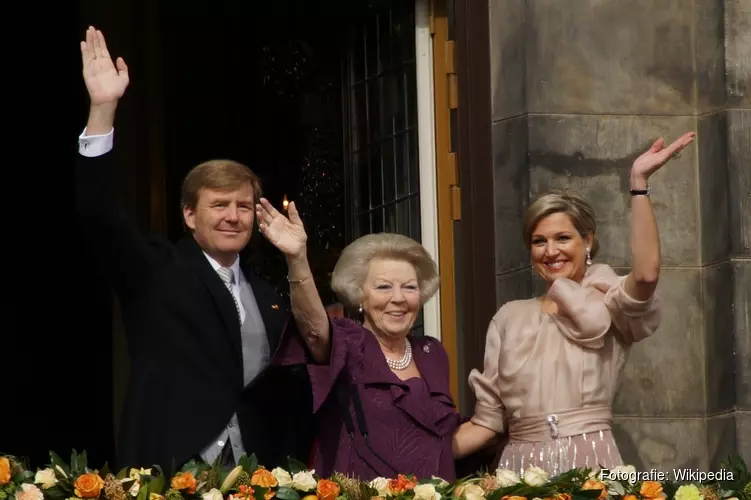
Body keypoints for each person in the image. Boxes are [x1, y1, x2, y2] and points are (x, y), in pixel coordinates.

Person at [75, 27, 313, 472]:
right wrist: (103, 108)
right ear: (189, 216)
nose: (233, 216)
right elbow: (96, 211)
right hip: (169, 462)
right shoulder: (155, 269)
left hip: (257, 469)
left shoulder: (267, 293)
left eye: (243, 206)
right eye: (218, 205)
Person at [452, 132, 696, 475]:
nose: (550, 251)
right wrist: (411, 454)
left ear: (588, 241)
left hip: (590, 464)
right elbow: (488, 422)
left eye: (562, 238)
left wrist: (638, 184)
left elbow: (645, 276)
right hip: (518, 473)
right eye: (539, 241)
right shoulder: (509, 318)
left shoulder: (608, 298)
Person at [255, 198, 464, 481]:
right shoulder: (349, 342)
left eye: (409, 287)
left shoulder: (431, 353)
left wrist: (502, 413)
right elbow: (314, 327)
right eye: (383, 287)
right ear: (360, 296)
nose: (398, 298)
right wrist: (297, 259)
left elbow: (441, 444)